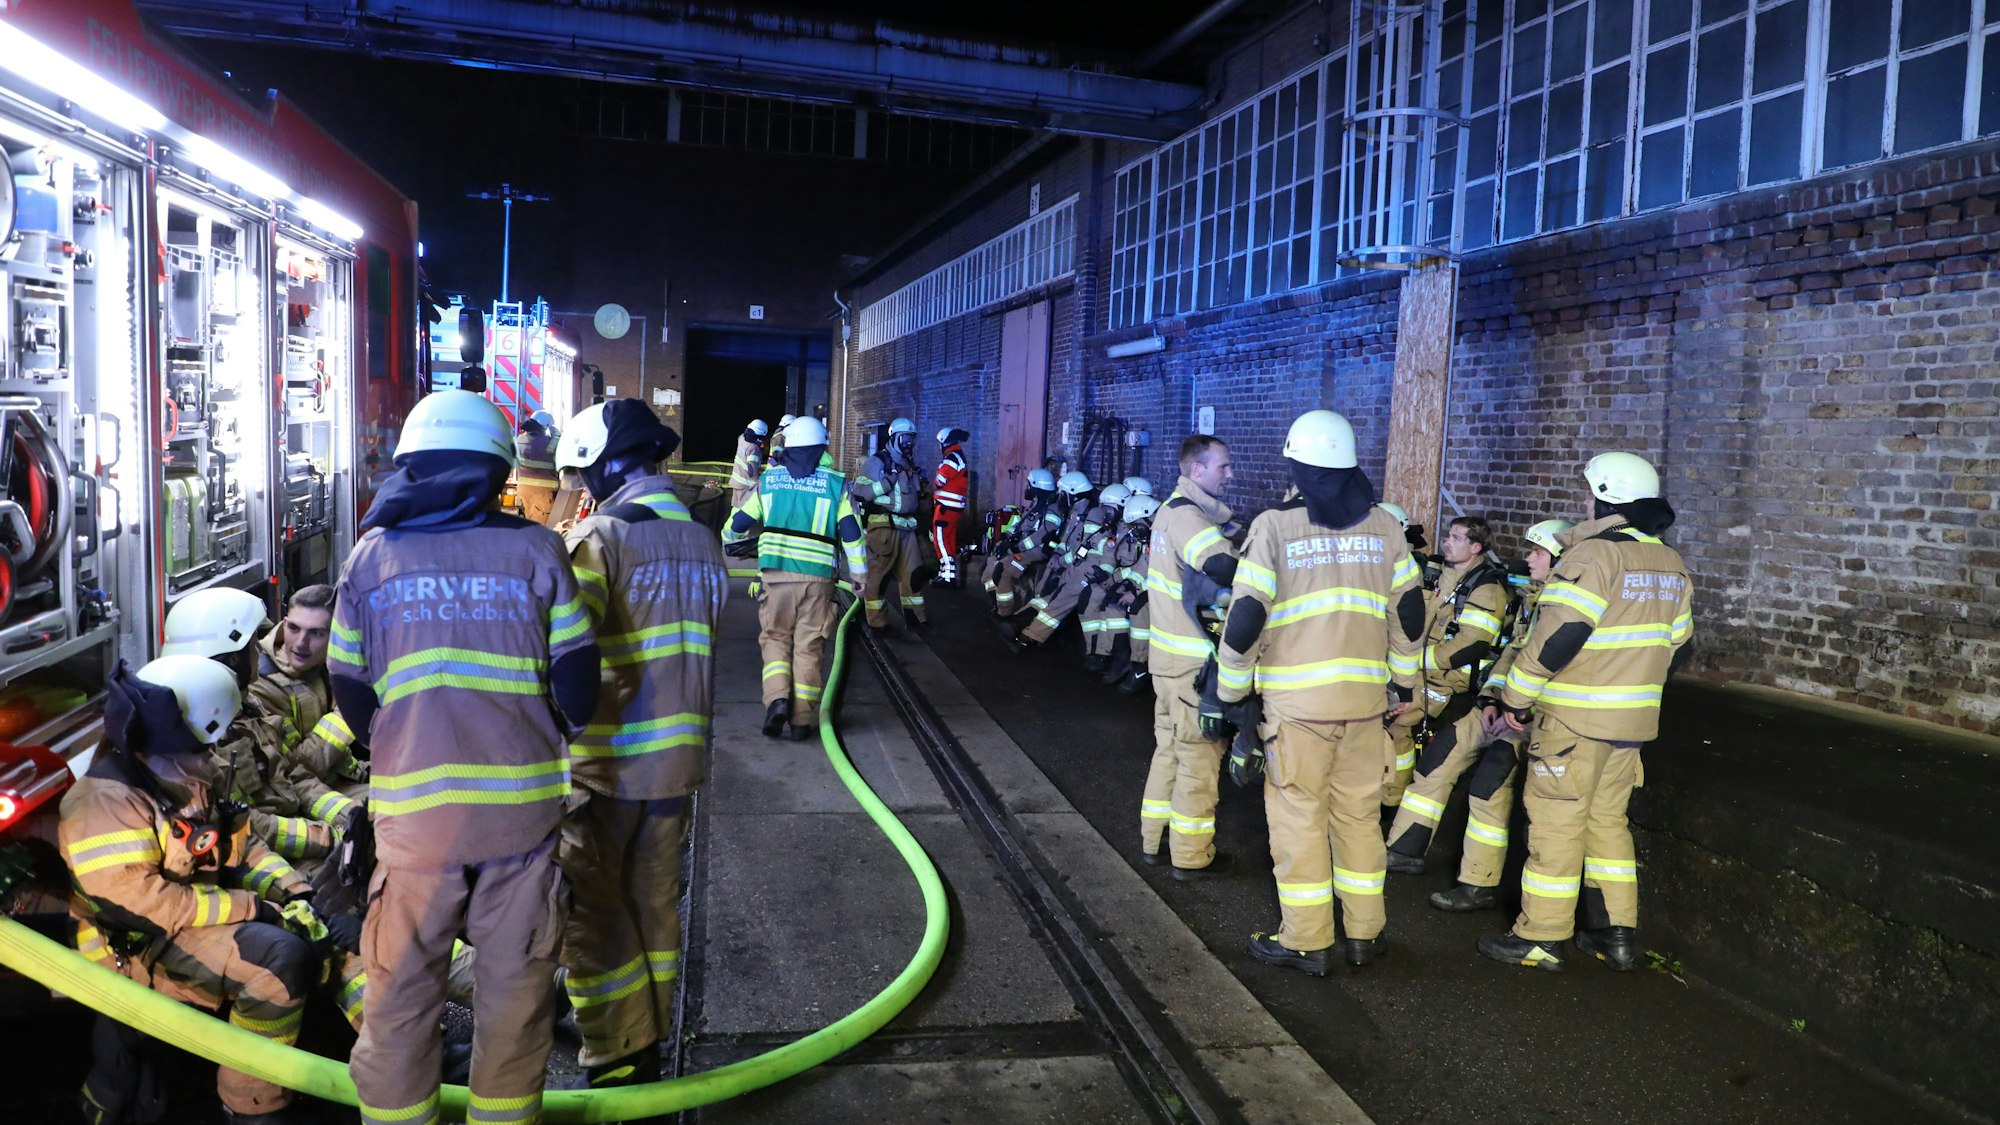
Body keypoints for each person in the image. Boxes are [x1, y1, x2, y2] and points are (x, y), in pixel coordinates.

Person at [333, 390, 600, 1125]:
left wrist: (399, 743)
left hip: (416, 829)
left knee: (399, 1000)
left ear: (411, 465)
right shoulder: (539, 550)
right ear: (498, 472)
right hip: (520, 826)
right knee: (516, 1000)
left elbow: (350, 692)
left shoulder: (371, 558)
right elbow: (580, 687)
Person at [63, 656, 357, 1125]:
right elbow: (144, 905)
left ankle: (417, 1047)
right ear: (175, 740)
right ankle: (252, 1107)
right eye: (204, 749)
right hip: (133, 946)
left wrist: (297, 894)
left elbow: (244, 846)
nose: (214, 759)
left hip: (187, 917)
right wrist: (255, 909)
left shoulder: (182, 774)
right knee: (277, 961)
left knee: (324, 935)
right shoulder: (103, 805)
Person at [1210, 410, 1425, 973]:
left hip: (1298, 709)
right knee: (1358, 818)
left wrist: (1231, 691)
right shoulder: (1384, 526)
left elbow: (1247, 615)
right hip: (1364, 705)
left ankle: (1307, 940)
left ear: (1297, 465)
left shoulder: (1276, 526)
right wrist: (1404, 682)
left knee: (1299, 819)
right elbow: (1409, 613)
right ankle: (1364, 933)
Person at [553, 400, 727, 1088]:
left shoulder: (604, 535)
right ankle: (651, 1030)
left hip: (605, 762)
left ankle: (616, 1054)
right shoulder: (700, 538)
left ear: (603, 461)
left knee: (593, 910)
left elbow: (564, 653)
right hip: (676, 763)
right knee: (654, 903)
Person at [1478, 452, 1693, 973]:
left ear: (1604, 497)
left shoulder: (1595, 555)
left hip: (1576, 721)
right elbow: (1681, 645)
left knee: (1556, 824)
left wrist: (1515, 698)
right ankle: (1613, 935)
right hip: (1632, 723)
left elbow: (1561, 636)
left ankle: (1541, 937)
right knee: (1607, 825)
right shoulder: (1670, 560)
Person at [1408, 519, 1575, 912]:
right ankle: (1402, 852)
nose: (1528, 558)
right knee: (1437, 759)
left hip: (1533, 719)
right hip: (1504, 708)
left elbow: (1555, 668)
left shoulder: (1566, 606)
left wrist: (1517, 707)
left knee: (1488, 786)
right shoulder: (1535, 600)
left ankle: (1476, 885)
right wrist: (1489, 700)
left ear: (1560, 559)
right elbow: (1512, 654)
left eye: (1537, 552)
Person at [162, 588, 358, 874]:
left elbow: (293, 775)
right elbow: (241, 821)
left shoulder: (246, 706)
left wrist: (350, 817)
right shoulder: (200, 733)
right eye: (253, 645)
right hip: (256, 857)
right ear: (233, 659)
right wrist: (328, 838)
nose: (260, 651)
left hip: (289, 835)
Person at [724, 415, 869, 740]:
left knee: (775, 639)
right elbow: (852, 534)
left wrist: (731, 541)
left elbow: (738, 522)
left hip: (776, 576)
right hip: (818, 579)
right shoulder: (836, 484)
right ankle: (802, 720)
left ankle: (777, 700)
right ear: (821, 449)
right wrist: (859, 575)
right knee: (808, 646)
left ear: (786, 446)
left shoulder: (770, 481)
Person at [1139, 435, 1238, 879]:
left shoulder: (1170, 512)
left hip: (1167, 663)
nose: (1230, 474)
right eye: (1223, 467)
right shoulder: (1187, 518)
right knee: (1199, 761)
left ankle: (1155, 840)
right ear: (1196, 470)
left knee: (1170, 754)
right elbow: (1222, 567)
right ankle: (1191, 857)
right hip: (1191, 670)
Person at [1382, 516, 1509, 818]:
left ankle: (1390, 799)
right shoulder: (1441, 576)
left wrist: (1415, 660)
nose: (1447, 542)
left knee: (1397, 722)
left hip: (1446, 680)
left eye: (1456, 538)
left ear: (1476, 547)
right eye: (1448, 536)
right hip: (1416, 669)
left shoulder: (1487, 590)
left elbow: (1470, 644)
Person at [245, 584, 369, 803]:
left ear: (336, 636)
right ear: (283, 626)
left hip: (349, 775)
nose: (301, 643)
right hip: (313, 793)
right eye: (294, 628)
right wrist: (348, 713)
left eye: (316, 633)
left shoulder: (333, 663)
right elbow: (297, 767)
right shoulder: (263, 686)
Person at [1012, 472, 1109, 649]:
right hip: (1069, 562)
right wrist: (1056, 556)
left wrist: (1062, 561)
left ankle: (1031, 635)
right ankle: (1023, 620)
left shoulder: (1093, 514)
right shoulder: (1076, 513)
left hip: (1083, 566)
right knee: (1047, 589)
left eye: (1063, 494)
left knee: (1061, 599)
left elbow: (1086, 550)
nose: (1060, 498)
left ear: (1072, 493)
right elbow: (1066, 540)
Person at [851, 417, 929, 632]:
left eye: (912, 439)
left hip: (907, 528)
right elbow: (860, 492)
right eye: (905, 438)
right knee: (877, 578)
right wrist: (887, 482)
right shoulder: (876, 462)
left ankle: (917, 621)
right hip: (883, 528)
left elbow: (914, 498)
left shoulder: (909, 465)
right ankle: (877, 622)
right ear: (894, 438)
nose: (909, 444)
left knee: (914, 576)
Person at [984, 468, 1059, 616]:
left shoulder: (1052, 509)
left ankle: (1004, 613)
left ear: (1036, 487)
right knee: (989, 567)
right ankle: (996, 603)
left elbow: (1041, 535)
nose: (1027, 488)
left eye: (1030, 485)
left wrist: (1016, 547)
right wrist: (1005, 537)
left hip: (1037, 552)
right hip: (1022, 548)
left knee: (1003, 571)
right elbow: (1022, 526)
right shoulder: (1036, 505)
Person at [932, 425, 971, 586]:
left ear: (944, 442)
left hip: (946, 507)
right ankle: (946, 574)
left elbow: (940, 480)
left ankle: (948, 576)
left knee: (940, 539)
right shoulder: (958, 455)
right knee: (948, 539)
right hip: (954, 507)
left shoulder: (952, 458)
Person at [514, 410, 561, 526]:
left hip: (523, 489)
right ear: (546, 427)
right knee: (541, 526)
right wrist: (556, 435)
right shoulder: (549, 443)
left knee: (528, 522)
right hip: (541, 492)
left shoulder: (519, 440)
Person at [729, 419, 768, 513]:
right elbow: (752, 472)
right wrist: (761, 483)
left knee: (736, 508)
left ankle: (729, 527)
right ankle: (737, 527)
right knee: (743, 511)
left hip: (736, 481)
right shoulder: (753, 449)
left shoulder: (742, 438)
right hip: (746, 485)